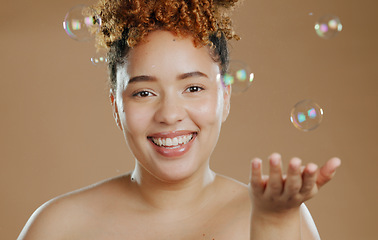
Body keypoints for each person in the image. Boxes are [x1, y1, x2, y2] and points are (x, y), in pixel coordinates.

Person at [18, 0, 341, 239]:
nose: (170, 115)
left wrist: (273, 224)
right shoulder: (59, 227)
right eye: (144, 93)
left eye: (194, 87)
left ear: (224, 98)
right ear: (116, 107)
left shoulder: (282, 218)